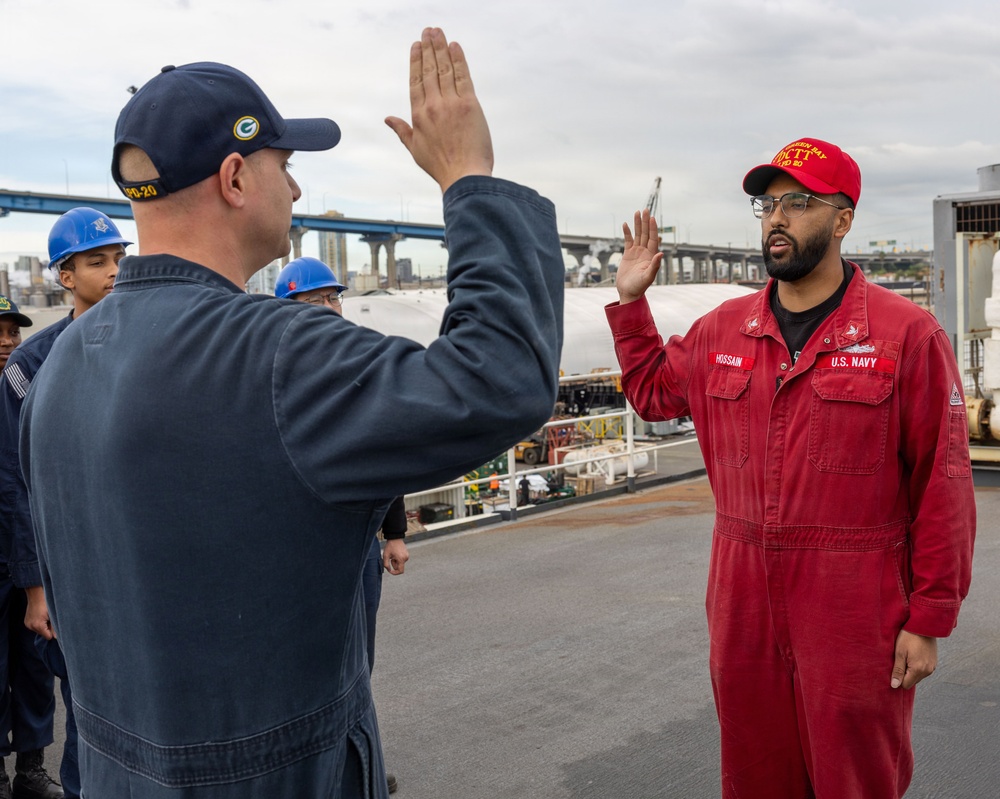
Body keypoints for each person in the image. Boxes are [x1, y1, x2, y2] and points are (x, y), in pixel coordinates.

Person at [21, 28, 563, 799]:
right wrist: (470, 178)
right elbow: (499, 377)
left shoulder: (53, 372)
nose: (298, 191)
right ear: (236, 176)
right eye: (286, 165)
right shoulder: (280, 355)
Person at [605, 137, 976, 798]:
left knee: (854, 779)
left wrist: (928, 617)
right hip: (742, 604)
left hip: (853, 607)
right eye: (768, 204)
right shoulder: (722, 331)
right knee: (754, 778)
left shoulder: (906, 336)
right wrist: (632, 305)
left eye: (799, 203)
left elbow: (943, 488)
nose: (778, 218)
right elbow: (655, 394)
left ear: (842, 219)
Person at [1, 209, 131, 799]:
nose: (112, 272)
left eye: (117, 259)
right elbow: (17, 480)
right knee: (88, 712)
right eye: (97, 261)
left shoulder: (149, 341)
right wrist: (35, 586)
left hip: (134, 559)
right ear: (64, 275)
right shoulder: (31, 365)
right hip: (69, 567)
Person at [274, 256, 409, 795]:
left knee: (361, 659)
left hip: (358, 545)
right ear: (285, 312)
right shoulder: (270, 371)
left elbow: (386, 450)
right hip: (300, 550)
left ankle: (363, 765)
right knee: (308, 666)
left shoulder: (359, 360)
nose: (330, 309)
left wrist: (393, 533)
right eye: (315, 302)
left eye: (334, 298)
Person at [0, 297, 64, 799]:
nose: (6, 340)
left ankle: (31, 767)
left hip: (27, 554)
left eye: (12, 331)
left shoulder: (27, 388)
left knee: (35, 668)